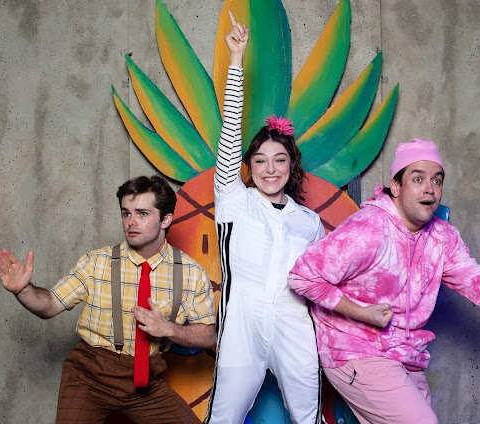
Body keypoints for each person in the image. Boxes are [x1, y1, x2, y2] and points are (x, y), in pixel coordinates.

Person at [288, 139, 480, 424]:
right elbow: (303, 276)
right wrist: (362, 312)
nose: (429, 188)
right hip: (354, 349)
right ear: (395, 186)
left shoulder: (442, 238)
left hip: (406, 355)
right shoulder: (369, 229)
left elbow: (478, 283)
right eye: (418, 179)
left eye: (437, 180)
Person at [0, 175, 216, 424]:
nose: (131, 222)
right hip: (89, 376)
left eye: (142, 214)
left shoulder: (191, 273)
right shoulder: (97, 262)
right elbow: (50, 305)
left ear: (165, 219)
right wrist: (23, 290)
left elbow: (207, 335)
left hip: (146, 381)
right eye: (126, 213)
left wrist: (168, 329)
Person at [204, 12, 325, 424]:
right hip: (242, 327)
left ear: (292, 164)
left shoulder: (309, 222)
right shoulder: (233, 200)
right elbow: (229, 133)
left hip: (295, 327)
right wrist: (236, 60)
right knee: (223, 419)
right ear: (248, 165)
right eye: (259, 160)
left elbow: (325, 282)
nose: (270, 169)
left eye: (279, 159)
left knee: (308, 418)